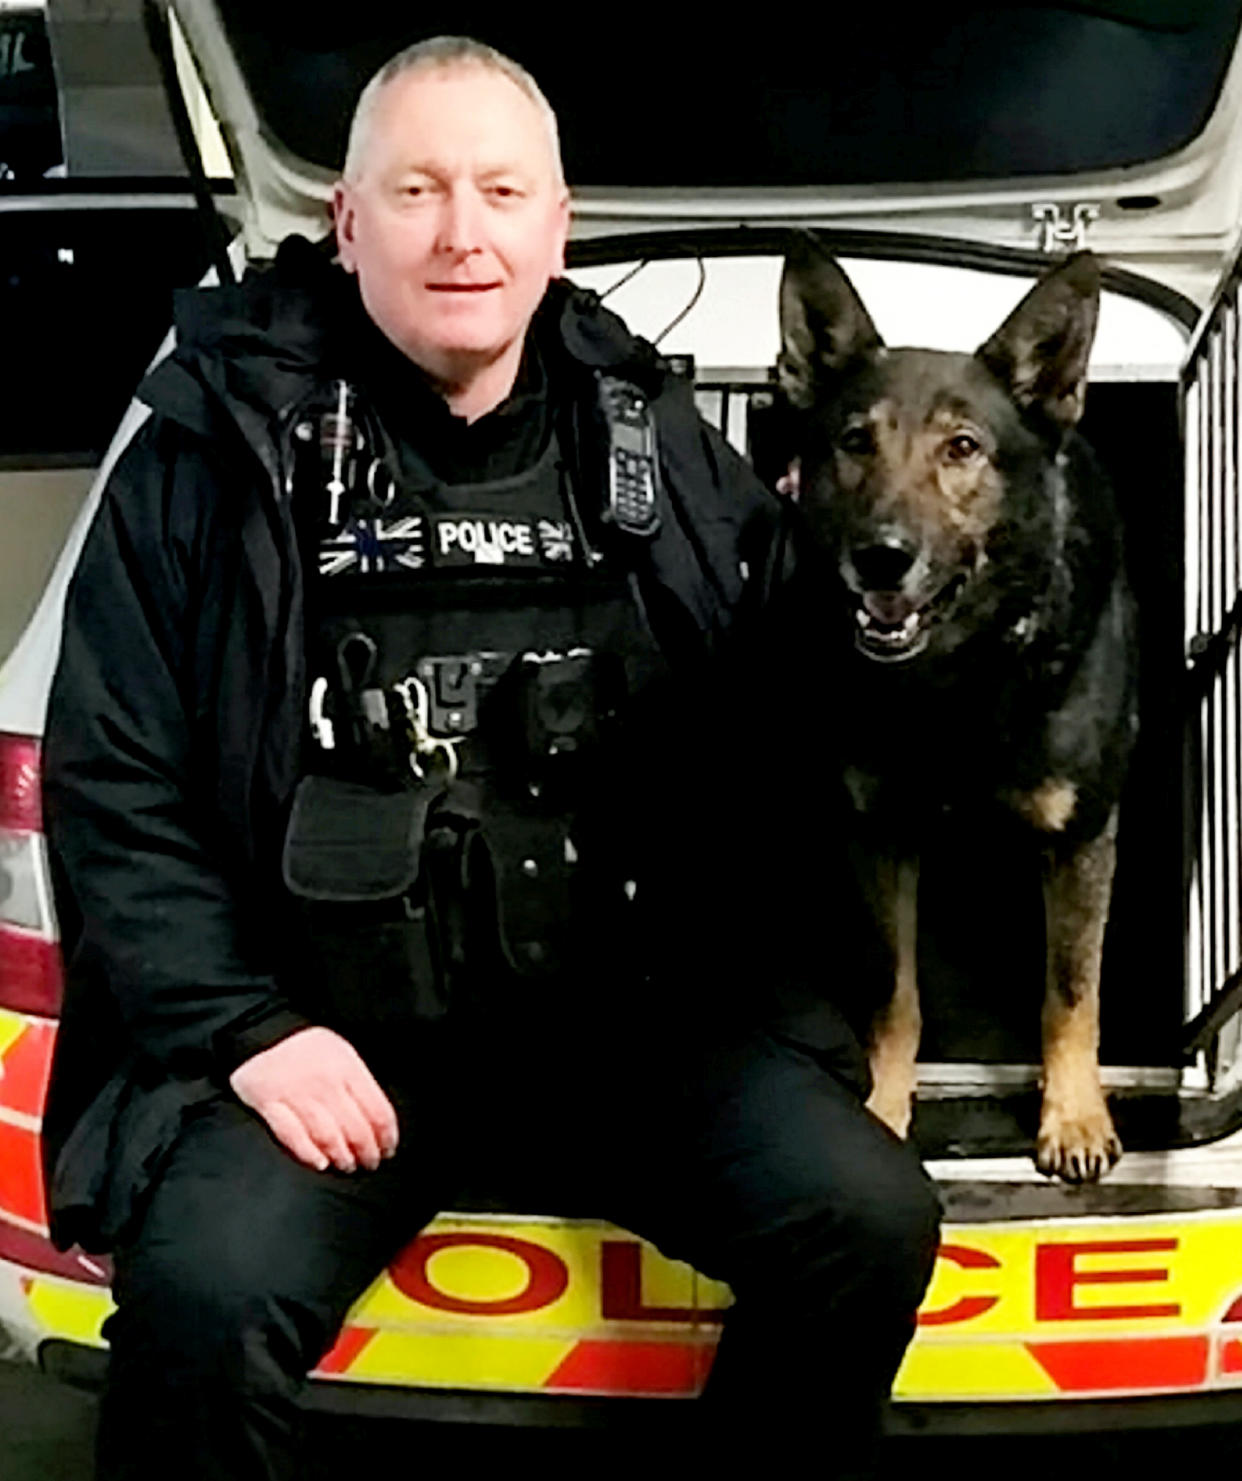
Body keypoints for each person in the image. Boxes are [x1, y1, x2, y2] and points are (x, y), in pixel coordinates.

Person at [40, 36, 940, 1480]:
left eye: (500, 191)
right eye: (418, 190)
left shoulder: (644, 435)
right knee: (200, 1307)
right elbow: (113, 791)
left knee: (868, 1218)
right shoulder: (216, 453)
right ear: (347, 222)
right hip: (330, 1045)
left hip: (614, 1033)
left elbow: (789, 698)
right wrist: (248, 1035)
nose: (464, 232)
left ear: (554, 221)